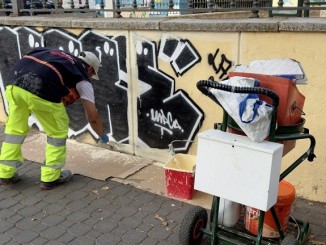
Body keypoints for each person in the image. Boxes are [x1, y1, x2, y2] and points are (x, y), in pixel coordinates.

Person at [0, 48, 109, 190]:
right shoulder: (82, 77)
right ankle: (51, 177)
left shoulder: (56, 55)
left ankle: (5, 172)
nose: (91, 77)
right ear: (89, 68)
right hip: (42, 89)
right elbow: (92, 117)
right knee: (57, 132)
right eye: (92, 73)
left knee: (14, 129)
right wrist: (102, 135)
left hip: (14, 84)